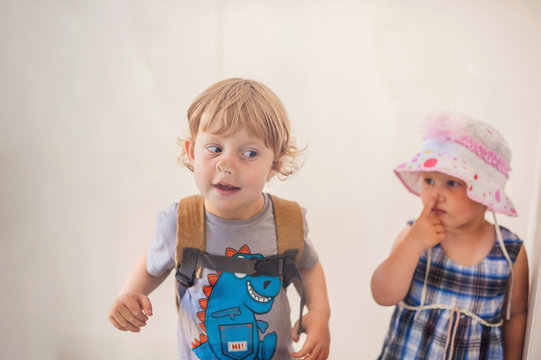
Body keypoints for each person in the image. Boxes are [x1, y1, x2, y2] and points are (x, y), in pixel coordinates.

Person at [108, 78, 331, 360]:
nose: (226, 166)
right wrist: (130, 294)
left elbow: (309, 266)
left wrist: (320, 313)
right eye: (215, 149)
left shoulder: (287, 220)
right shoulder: (181, 221)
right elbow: (152, 266)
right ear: (191, 152)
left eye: (249, 153)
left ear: (275, 164)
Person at [371, 112, 529, 360]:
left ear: (484, 193)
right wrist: (412, 246)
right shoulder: (412, 236)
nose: (435, 195)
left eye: (452, 184)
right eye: (429, 180)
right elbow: (382, 294)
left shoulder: (509, 253)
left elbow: (516, 315)